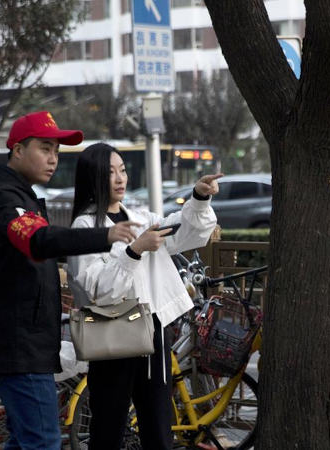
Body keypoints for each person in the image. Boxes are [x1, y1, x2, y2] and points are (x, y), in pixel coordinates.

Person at [0, 111, 140, 450]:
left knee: (24, 440)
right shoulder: (4, 197)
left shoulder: (16, 194)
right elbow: (37, 240)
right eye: (45, 148)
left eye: (57, 151)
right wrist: (105, 235)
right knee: (44, 442)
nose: (53, 159)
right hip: (18, 345)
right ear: (18, 150)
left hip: (19, 341)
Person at [67, 143, 220, 449]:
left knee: (158, 425)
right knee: (108, 426)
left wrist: (199, 198)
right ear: (92, 178)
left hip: (152, 330)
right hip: (111, 334)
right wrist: (135, 250)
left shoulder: (140, 218)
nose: (119, 178)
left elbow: (184, 233)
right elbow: (95, 289)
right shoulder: (84, 226)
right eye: (110, 172)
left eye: (122, 170)